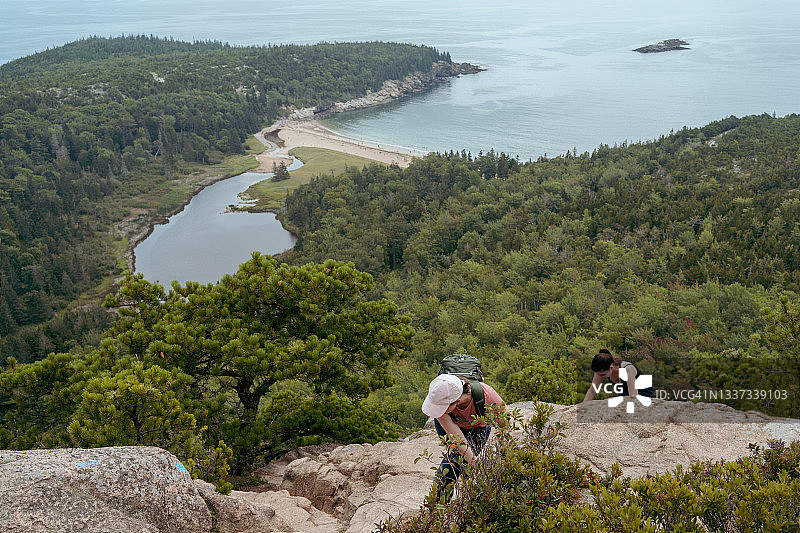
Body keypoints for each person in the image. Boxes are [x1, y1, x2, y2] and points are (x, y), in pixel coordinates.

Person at [421, 373, 506, 501]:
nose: (438, 410)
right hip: (451, 426)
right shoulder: (440, 404)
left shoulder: (487, 395)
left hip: (478, 428)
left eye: (441, 408)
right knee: (452, 464)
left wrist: (505, 451)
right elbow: (459, 443)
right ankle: (438, 510)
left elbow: (506, 423)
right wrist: (475, 465)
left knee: (466, 467)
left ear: (457, 401)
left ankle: (465, 501)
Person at [582, 348, 655, 402]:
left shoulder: (628, 369)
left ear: (611, 367)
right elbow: (592, 391)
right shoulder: (601, 370)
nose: (601, 376)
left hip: (643, 390)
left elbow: (633, 397)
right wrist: (583, 406)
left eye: (603, 375)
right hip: (625, 390)